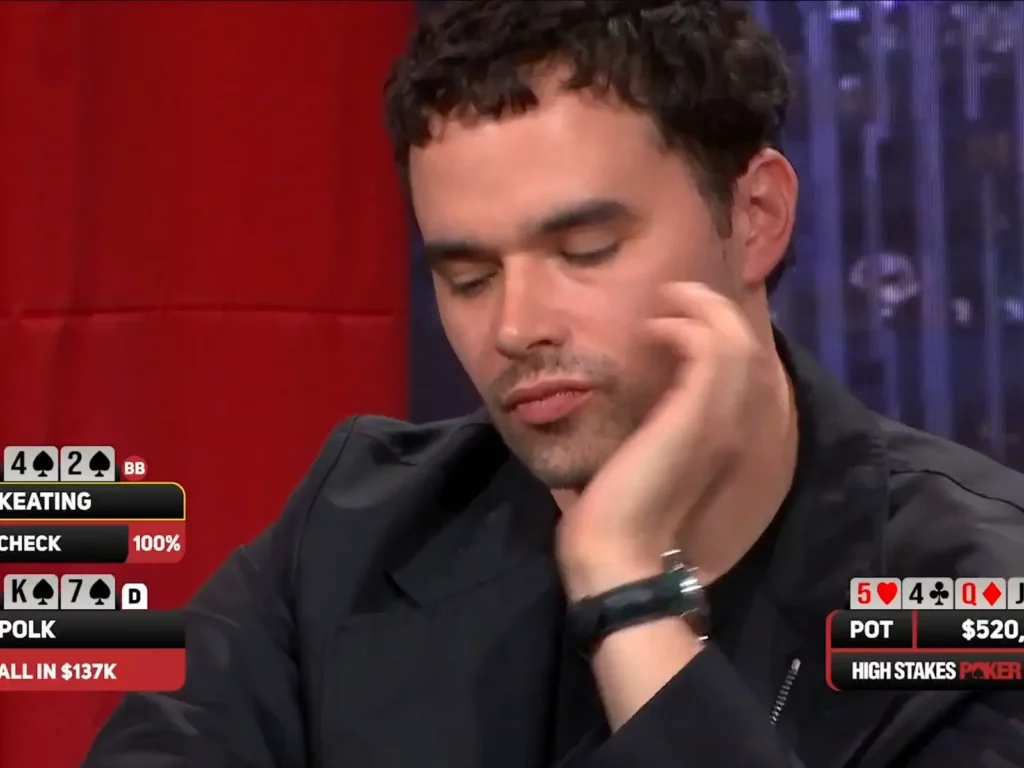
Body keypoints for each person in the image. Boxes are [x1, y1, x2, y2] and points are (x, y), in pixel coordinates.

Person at [84, 1, 1024, 766]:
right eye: (468, 277)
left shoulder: (973, 597)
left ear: (756, 216)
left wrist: (626, 584)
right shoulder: (352, 536)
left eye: (585, 250)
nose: (515, 326)